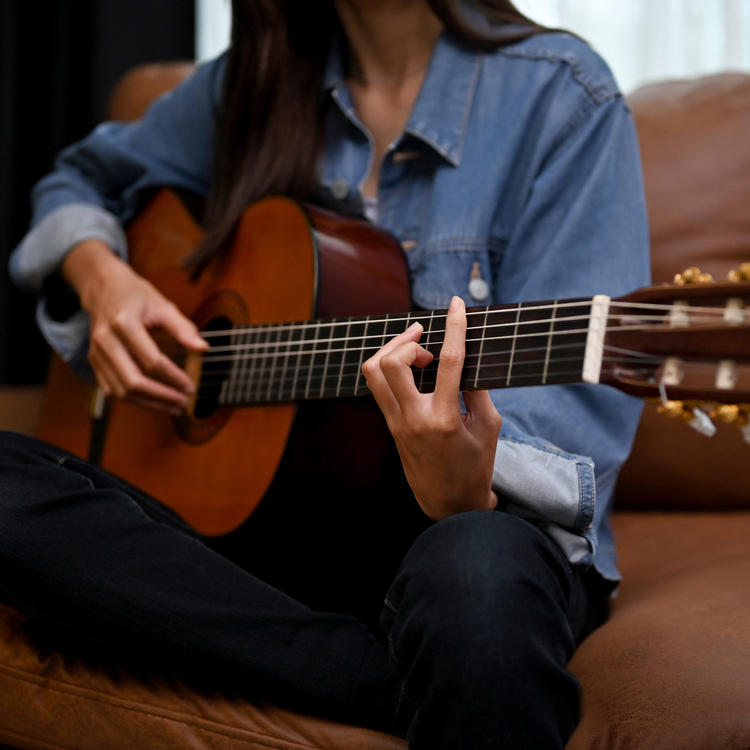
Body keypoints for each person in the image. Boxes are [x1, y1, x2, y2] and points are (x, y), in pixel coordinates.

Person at [3, 0, 650, 747]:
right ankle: (387, 678)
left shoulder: (564, 95)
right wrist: (102, 281)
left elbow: (567, 429)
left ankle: (374, 661)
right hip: (270, 537)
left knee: (476, 580)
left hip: (462, 530)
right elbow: (76, 182)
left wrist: (466, 484)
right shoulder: (252, 85)